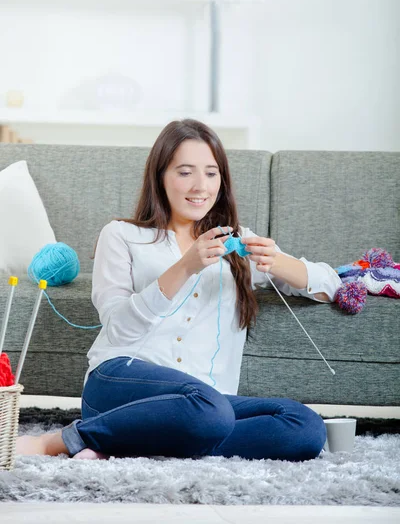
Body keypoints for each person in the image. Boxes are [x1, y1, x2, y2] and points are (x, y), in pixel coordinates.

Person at [17, 119, 342, 462]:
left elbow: (331, 285)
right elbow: (118, 326)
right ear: (160, 177)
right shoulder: (121, 235)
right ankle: (59, 441)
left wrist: (275, 261)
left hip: (204, 406)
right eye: (185, 172)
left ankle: (121, 442)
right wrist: (186, 266)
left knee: (305, 427)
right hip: (121, 383)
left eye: (211, 173)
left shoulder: (234, 244)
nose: (201, 185)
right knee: (210, 410)